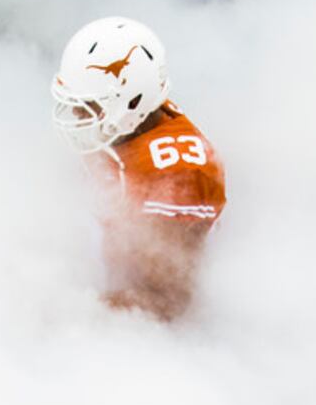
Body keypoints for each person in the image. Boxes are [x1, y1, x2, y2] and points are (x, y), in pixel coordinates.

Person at [51, 16, 227, 320]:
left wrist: (75, 310)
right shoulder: (132, 122)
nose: (78, 114)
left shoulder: (176, 176)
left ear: (131, 103)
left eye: (88, 105)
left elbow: (167, 302)